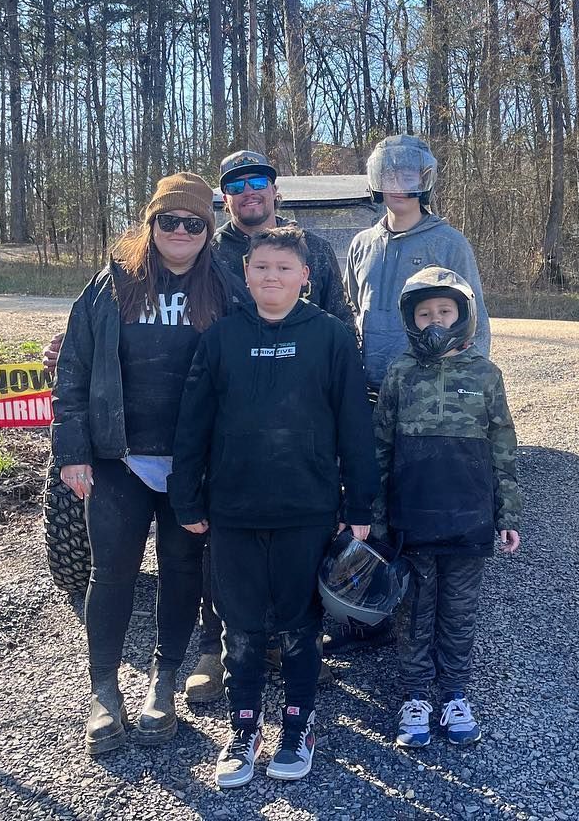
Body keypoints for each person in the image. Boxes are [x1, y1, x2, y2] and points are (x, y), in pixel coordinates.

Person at [169, 225, 377, 787]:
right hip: (233, 510)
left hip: (306, 509)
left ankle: (298, 722)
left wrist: (360, 505)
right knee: (240, 628)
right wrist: (186, 496)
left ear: (305, 276)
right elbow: (192, 427)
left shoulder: (331, 338)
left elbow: (356, 427)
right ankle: (244, 726)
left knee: (299, 626)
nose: (272, 278)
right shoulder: (220, 339)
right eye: (261, 267)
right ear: (246, 273)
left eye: (284, 269)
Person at [51, 173, 244, 756]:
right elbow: (75, 371)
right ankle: (104, 693)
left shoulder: (227, 289)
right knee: (110, 573)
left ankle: (163, 684)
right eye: (169, 221)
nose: (180, 232)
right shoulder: (111, 286)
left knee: (182, 571)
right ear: (150, 224)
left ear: (208, 231)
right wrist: (72, 450)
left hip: (191, 465)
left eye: (193, 223)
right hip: (119, 459)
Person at [333, 133, 490, 654]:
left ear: (423, 181)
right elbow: (353, 315)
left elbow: (474, 322)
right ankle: (368, 606)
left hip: (426, 394)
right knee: (368, 497)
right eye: (387, 173)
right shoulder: (361, 244)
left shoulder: (448, 242)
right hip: (371, 391)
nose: (396, 184)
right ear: (375, 180)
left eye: (407, 174)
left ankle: (427, 610)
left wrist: (467, 392)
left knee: (420, 499)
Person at [372, 266, 520, 749]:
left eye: (444, 311)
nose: (435, 321)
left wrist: (508, 514)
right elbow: (380, 446)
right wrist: (372, 514)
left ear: (463, 315)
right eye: (424, 314)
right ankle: (416, 695)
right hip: (410, 521)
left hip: (469, 520)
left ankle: (454, 693)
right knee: (414, 610)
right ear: (410, 321)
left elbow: (503, 447)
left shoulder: (485, 374)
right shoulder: (399, 372)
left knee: (459, 611)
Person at [212, 149, 356, 332]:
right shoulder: (211, 254)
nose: (248, 191)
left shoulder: (315, 248)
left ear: (273, 190)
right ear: (225, 199)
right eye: (236, 187)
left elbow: (342, 320)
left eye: (258, 182)